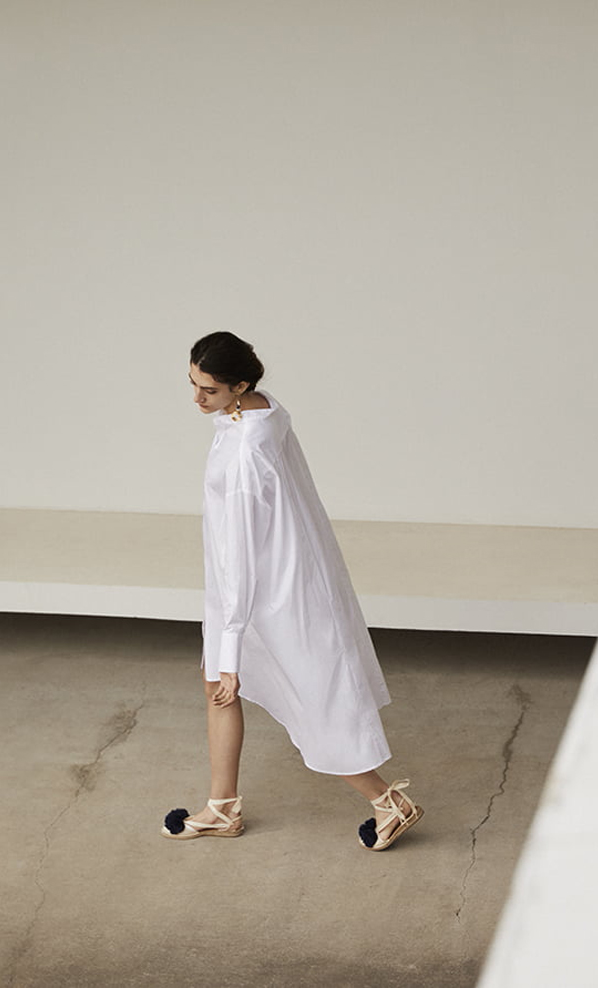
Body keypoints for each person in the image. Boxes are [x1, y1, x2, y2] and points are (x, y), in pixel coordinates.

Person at [160, 330, 423, 851]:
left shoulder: (245, 453)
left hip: (263, 594)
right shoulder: (261, 410)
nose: (197, 399)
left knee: (311, 698)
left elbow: (240, 554)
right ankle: (222, 806)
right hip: (268, 580)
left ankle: (388, 801)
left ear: (239, 386)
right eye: (192, 384)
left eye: (208, 390)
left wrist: (232, 643)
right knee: (218, 687)